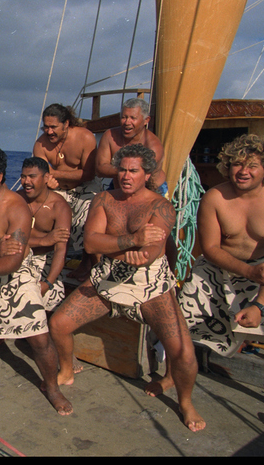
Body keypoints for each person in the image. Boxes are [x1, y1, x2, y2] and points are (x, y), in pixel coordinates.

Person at [49, 144, 205, 432]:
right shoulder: (104, 199)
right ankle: (68, 371)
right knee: (58, 324)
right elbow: (92, 243)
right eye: (122, 169)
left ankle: (185, 402)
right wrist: (132, 240)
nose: (126, 176)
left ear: (147, 174)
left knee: (183, 353)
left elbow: (150, 253)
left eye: (133, 171)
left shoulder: (161, 207)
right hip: (107, 278)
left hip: (150, 284)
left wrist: (121, 245)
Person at [177, 134, 264, 417]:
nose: (243, 171)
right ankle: (171, 381)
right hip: (217, 268)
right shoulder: (215, 197)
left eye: (252, 166)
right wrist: (248, 270)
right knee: (176, 328)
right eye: (236, 164)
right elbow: (209, 248)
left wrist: (260, 305)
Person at [0, 145, 73, 416]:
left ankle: (52, 387)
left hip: (12, 273)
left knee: (40, 337)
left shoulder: (16, 206)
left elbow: (14, 259)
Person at [32, 104, 100, 282]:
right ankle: (46, 261)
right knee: (44, 212)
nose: (49, 131)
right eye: (45, 127)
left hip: (86, 186)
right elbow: (40, 174)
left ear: (66, 124)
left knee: (88, 217)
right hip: (59, 187)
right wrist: (48, 181)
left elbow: (88, 173)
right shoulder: (41, 144)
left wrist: (52, 174)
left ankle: (89, 264)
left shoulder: (85, 137)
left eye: (53, 127)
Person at [17, 157, 70, 312]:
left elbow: (61, 249)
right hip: (18, 256)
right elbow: (7, 239)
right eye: (23, 177)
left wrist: (48, 283)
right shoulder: (16, 200)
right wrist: (43, 240)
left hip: (45, 261)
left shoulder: (59, 207)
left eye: (32, 177)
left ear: (46, 178)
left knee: (52, 303)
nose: (26, 181)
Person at [95, 97, 167, 194]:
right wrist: (128, 170)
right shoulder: (110, 136)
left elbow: (142, 175)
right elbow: (100, 168)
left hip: (151, 190)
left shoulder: (153, 146)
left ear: (146, 120)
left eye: (133, 118)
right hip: (119, 189)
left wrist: (121, 170)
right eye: (124, 117)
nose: (127, 122)